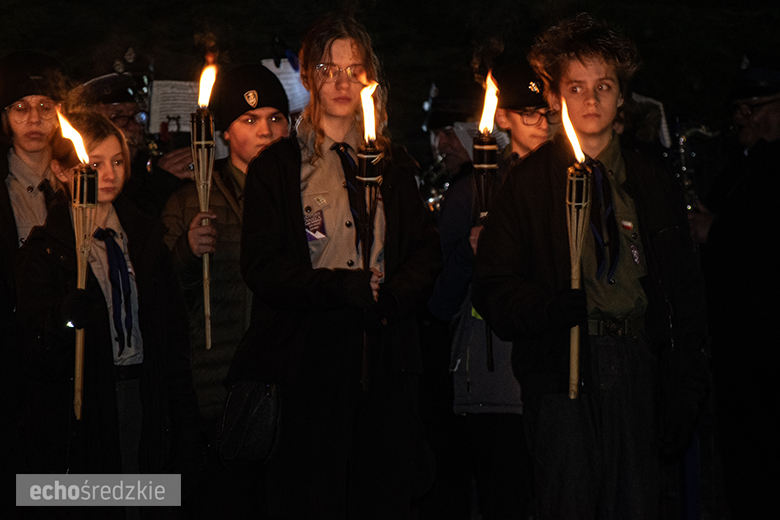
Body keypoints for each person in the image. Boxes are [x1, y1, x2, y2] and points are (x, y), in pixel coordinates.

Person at [472, 14, 710, 519]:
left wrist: (683, 387)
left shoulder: (651, 178)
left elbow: (685, 291)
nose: (591, 100)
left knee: (637, 503)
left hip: (638, 365)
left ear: (622, 95)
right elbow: (492, 287)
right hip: (564, 371)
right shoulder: (529, 183)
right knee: (569, 502)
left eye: (603, 86)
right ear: (557, 98)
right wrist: (546, 309)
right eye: (576, 87)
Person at [225, 14, 441, 519]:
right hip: (309, 354)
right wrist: (335, 289)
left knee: (380, 489)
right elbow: (262, 265)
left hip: (385, 354)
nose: (343, 82)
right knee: (313, 492)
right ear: (307, 78)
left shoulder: (395, 164)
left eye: (354, 69)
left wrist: (391, 297)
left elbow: (425, 255)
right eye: (329, 69)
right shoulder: (277, 167)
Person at [14, 111, 200, 519]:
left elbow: (171, 333)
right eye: (94, 164)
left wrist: (183, 417)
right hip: (81, 409)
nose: (110, 173)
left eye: (117, 161)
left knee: (143, 500)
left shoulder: (145, 237)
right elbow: (33, 353)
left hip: (141, 396)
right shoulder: (47, 251)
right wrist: (65, 320)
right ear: (62, 171)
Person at [426, 59, 557, 520]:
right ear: (502, 117)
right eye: (529, 113)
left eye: (549, 112)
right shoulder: (472, 193)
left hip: (561, 376)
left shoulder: (572, 183)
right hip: (494, 383)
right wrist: (469, 251)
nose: (542, 123)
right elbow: (439, 301)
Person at [161, 63, 290, 519]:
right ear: (224, 133)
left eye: (275, 118)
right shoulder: (190, 199)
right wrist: (185, 252)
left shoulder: (305, 193)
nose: (266, 131)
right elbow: (163, 298)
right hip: (216, 384)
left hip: (284, 379)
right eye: (249, 120)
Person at [687, 51, 780, 519]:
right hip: (738, 342)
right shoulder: (741, 164)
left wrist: (715, 231)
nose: (741, 118)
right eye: (739, 109)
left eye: (754, 108)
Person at [0, 50, 68, 515]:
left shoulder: (78, 182)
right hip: (16, 361)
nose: (34, 119)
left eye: (45, 106)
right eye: (21, 107)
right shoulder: (4, 189)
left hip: (74, 352)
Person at [72, 72, 193, 215]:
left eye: (137, 115)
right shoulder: (78, 165)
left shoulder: (147, 163)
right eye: (117, 116)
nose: (132, 126)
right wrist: (160, 184)